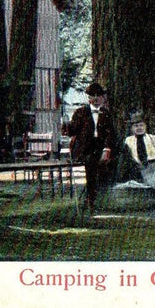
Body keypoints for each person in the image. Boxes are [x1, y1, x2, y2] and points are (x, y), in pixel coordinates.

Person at [68, 81, 117, 215]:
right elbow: (72, 131)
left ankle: (98, 198)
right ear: (88, 98)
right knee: (91, 163)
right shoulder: (80, 112)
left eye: (98, 96)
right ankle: (91, 201)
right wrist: (67, 126)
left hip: (99, 148)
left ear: (103, 98)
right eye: (92, 96)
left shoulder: (106, 114)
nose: (95, 98)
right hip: (84, 149)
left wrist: (107, 150)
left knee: (107, 164)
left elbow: (110, 134)